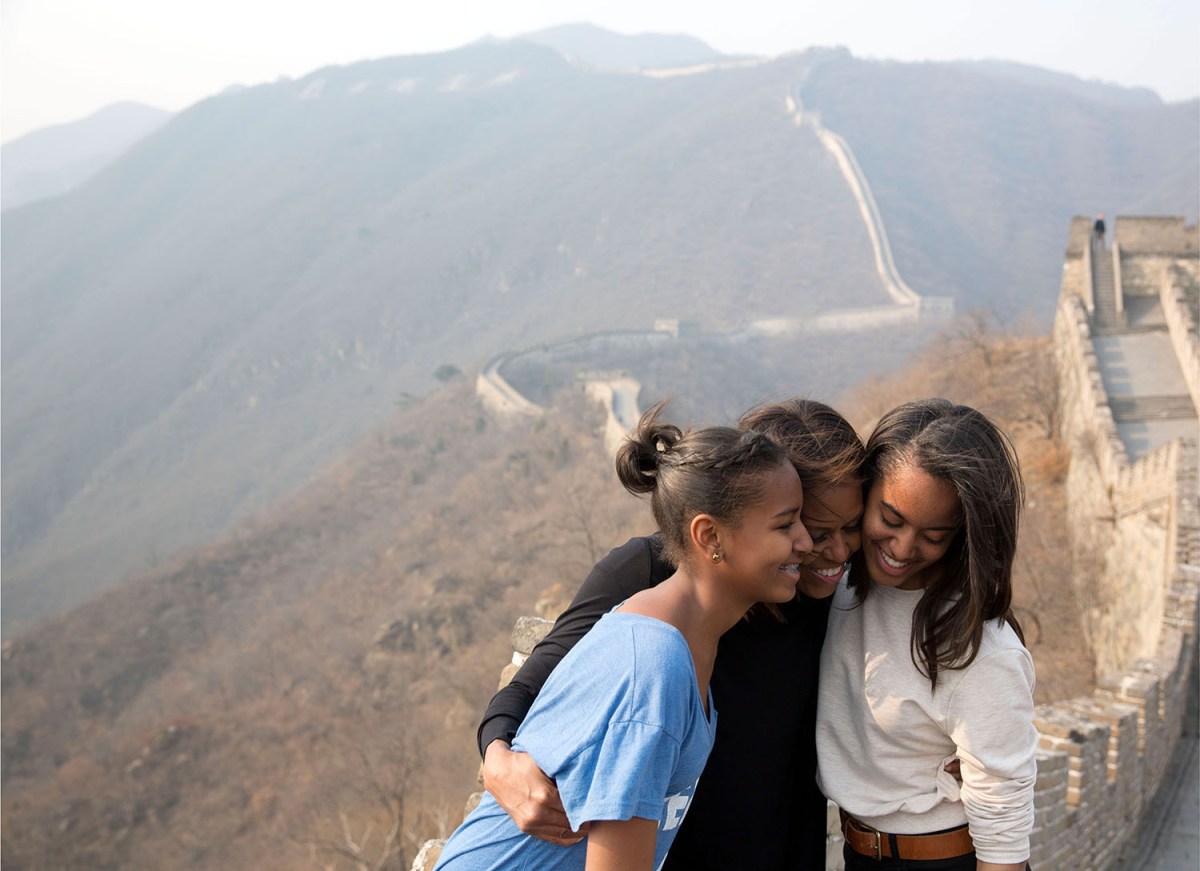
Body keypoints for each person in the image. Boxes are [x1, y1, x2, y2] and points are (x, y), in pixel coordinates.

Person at [476, 398, 867, 870]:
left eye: (853, 527)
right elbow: (533, 688)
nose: (834, 551)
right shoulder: (651, 591)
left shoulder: (835, 597)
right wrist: (499, 763)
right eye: (808, 528)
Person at [817, 399, 1037, 870]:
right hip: (856, 850)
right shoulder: (836, 583)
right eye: (890, 520)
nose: (901, 548)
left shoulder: (979, 648)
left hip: (944, 858)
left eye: (933, 535)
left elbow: (1004, 828)